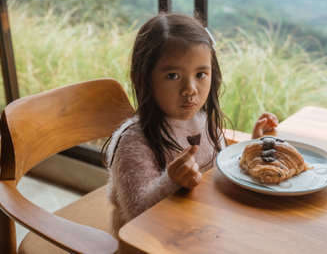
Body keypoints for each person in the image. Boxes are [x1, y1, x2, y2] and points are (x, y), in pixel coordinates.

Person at [104, 13, 278, 234]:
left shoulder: (203, 121)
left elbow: (220, 171)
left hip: (198, 225)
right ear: (145, 78)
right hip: (147, 242)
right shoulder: (132, 141)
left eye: (201, 74)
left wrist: (255, 147)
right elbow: (137, 215)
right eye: (173, 76)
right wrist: (170, 181)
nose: (191, 89)